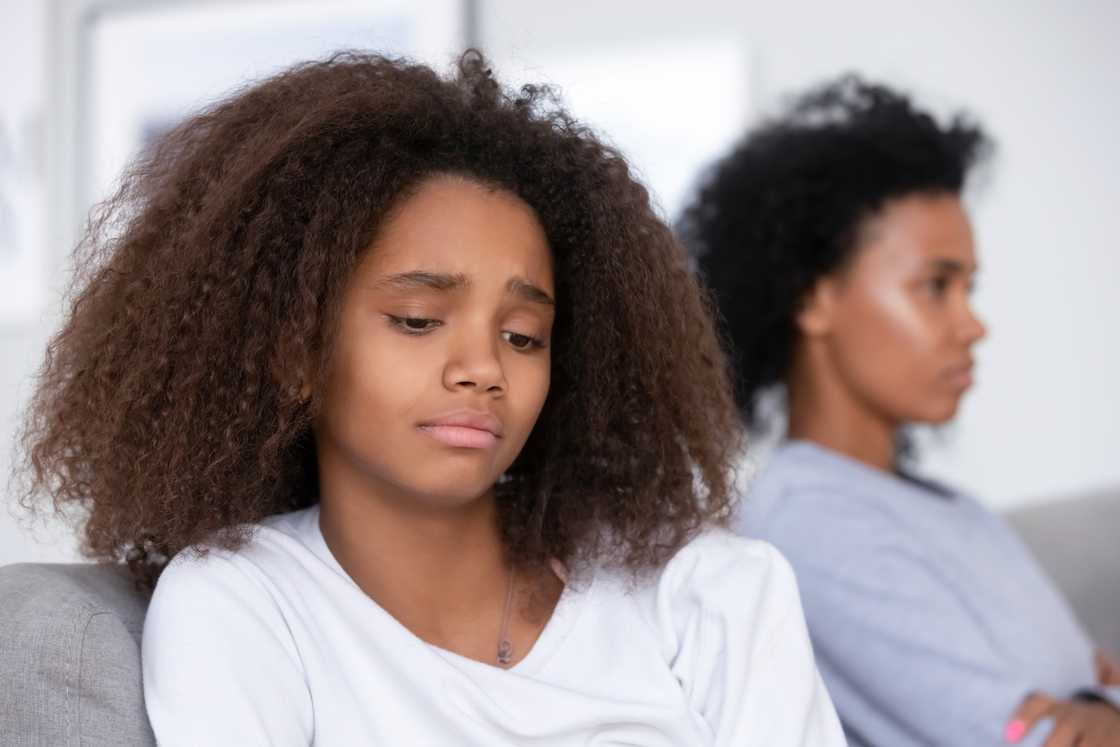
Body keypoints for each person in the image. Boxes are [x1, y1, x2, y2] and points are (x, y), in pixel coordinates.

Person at [16, 51, 844, 745]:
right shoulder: (242, 604)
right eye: (418, 319)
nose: (483, 367)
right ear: (295, 352)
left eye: (523, 336)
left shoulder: (710, 592)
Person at [680, 75, 1120, 747]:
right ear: (813, 299)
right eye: (935, 285)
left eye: (969, 287)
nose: (974, 324)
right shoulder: (807, 519)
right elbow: (1028, 736)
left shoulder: (954, 510)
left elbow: (1087, 700)